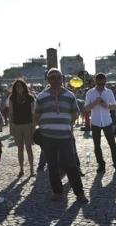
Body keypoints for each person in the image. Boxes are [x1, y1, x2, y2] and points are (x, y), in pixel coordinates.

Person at [34, 68, 88, 203]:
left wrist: (67, 125)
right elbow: (36, 114)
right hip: (47, 137)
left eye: (58, 77)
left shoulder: (70, 95)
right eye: (52, 78)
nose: (55, 80)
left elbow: (75, 113)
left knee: (71, 166)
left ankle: (79, 193)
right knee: (52, 166)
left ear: (62, 79)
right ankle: (57, 192)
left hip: (65, 136)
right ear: (48, 80)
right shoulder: (41, 96)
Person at [85, 73, 116, 173]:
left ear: (105, 82)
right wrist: (95, 102)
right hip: (95, 122)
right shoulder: (90, 93)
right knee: (97, 145)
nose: (101, 86)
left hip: (107, 121)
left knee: (112, 144)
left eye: (103, 84)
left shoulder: (109, 92)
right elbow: (86, 108)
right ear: (95, 82)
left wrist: (107, 105)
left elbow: (115, 106)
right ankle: (101, 165)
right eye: (99, 84)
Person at [8, 79, 35, 177]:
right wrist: (11, 126)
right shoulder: (12, 98)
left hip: (28, 125)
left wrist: (33, 126)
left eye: (21, 85)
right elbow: (10, 113)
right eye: (17, 86)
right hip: (17, 125)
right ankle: (21, 169)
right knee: (20, 149)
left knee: (29, 148)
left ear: (24, 87)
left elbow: (33, 113)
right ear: (15, 88)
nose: (19, 87)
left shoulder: (30, 98)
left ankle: (32, 169)